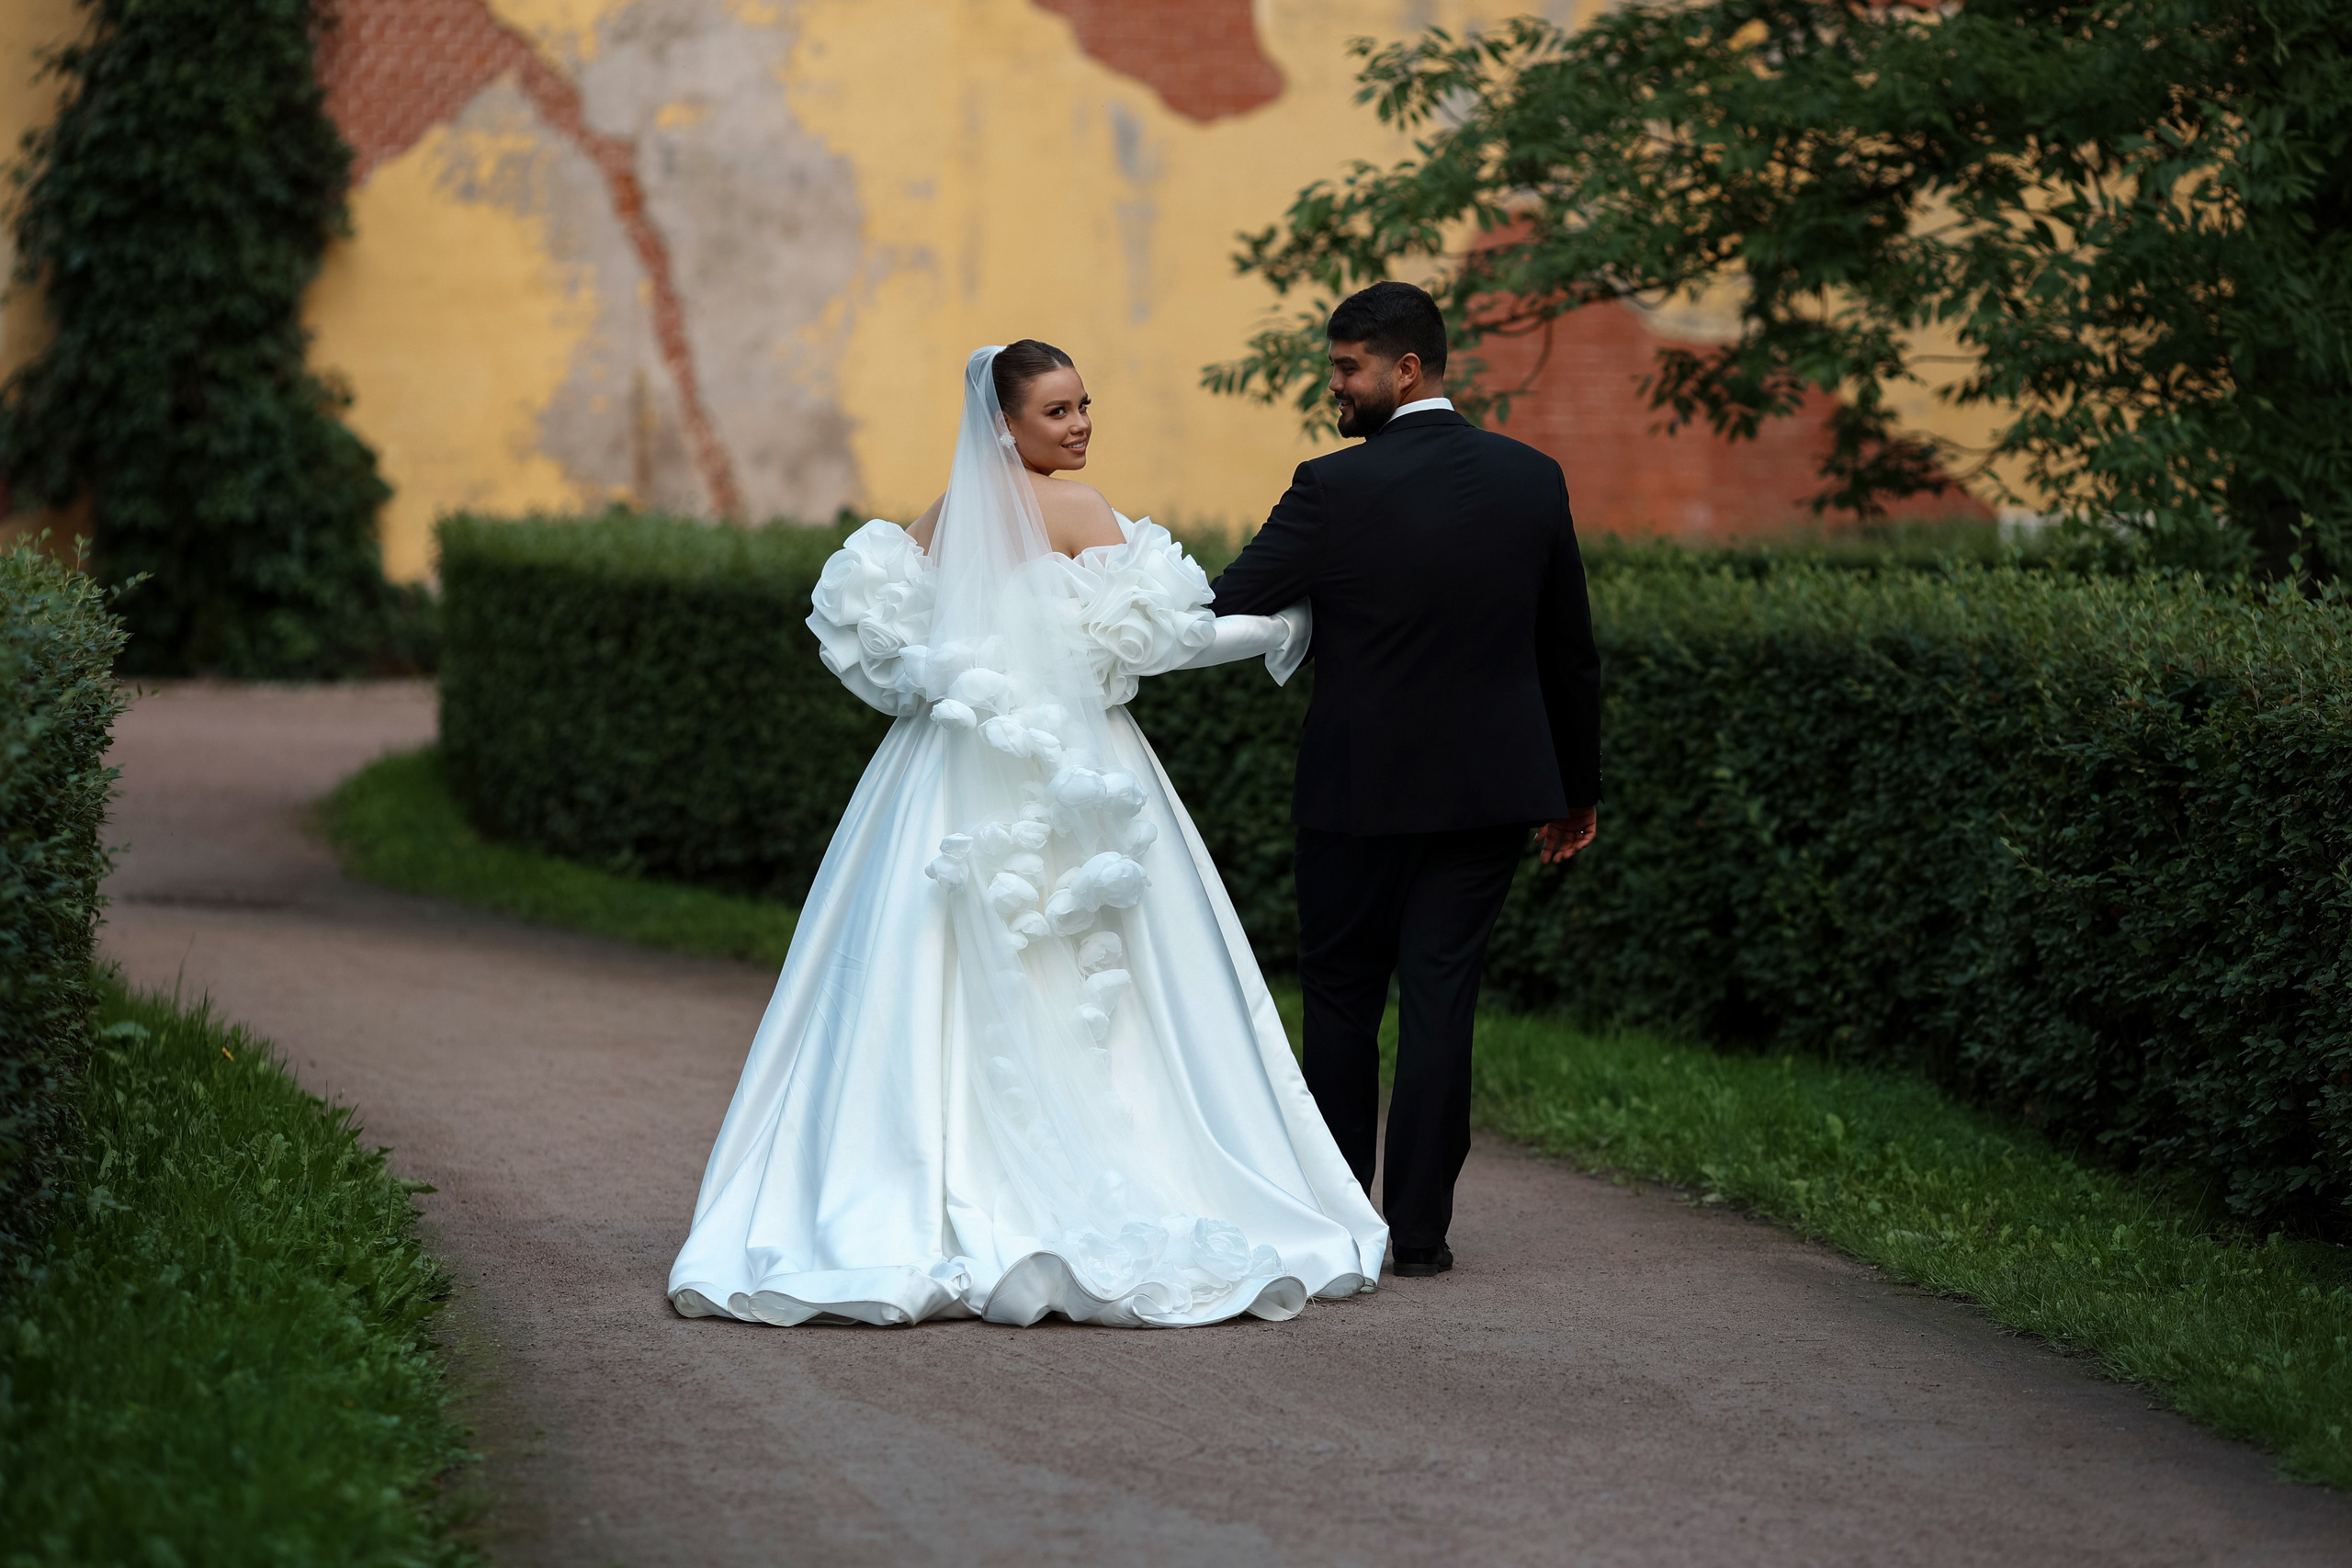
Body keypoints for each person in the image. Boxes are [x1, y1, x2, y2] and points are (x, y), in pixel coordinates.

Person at [668, 342, 1388, 1328]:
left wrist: (953, 680)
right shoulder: (1081, 515)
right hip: (1079, 773)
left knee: (924, 967)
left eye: (1085, 404)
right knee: (1111, 966)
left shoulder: (938, 522)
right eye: (1057, 412)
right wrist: (1279, 629)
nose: (1082, 424)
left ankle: (917, 1183)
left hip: (942, 774)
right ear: (1003, 424)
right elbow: (1164, 639)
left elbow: (873, 647)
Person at [1209, 282, 1602, 1280]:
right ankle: (1420, 1234)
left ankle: (1344, 1227)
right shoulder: (1532, 477)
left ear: (1406, 369)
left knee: (1341, 1003)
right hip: (1493, 792)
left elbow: (1227, 600)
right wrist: (1575, 788)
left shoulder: (1332, 489)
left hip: (1356, 797)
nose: (1333, 387)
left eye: (1346, 368)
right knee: (1441, 1002)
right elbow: (1569, 649)